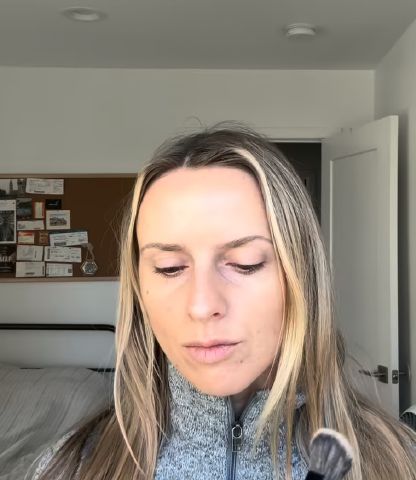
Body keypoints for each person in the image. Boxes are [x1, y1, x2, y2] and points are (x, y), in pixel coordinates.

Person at [30, 124, 416, 480]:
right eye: (169, 268)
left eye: (245, 263)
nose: (202, 306)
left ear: (302, 277)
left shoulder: (396, 461)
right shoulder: (70, 467)